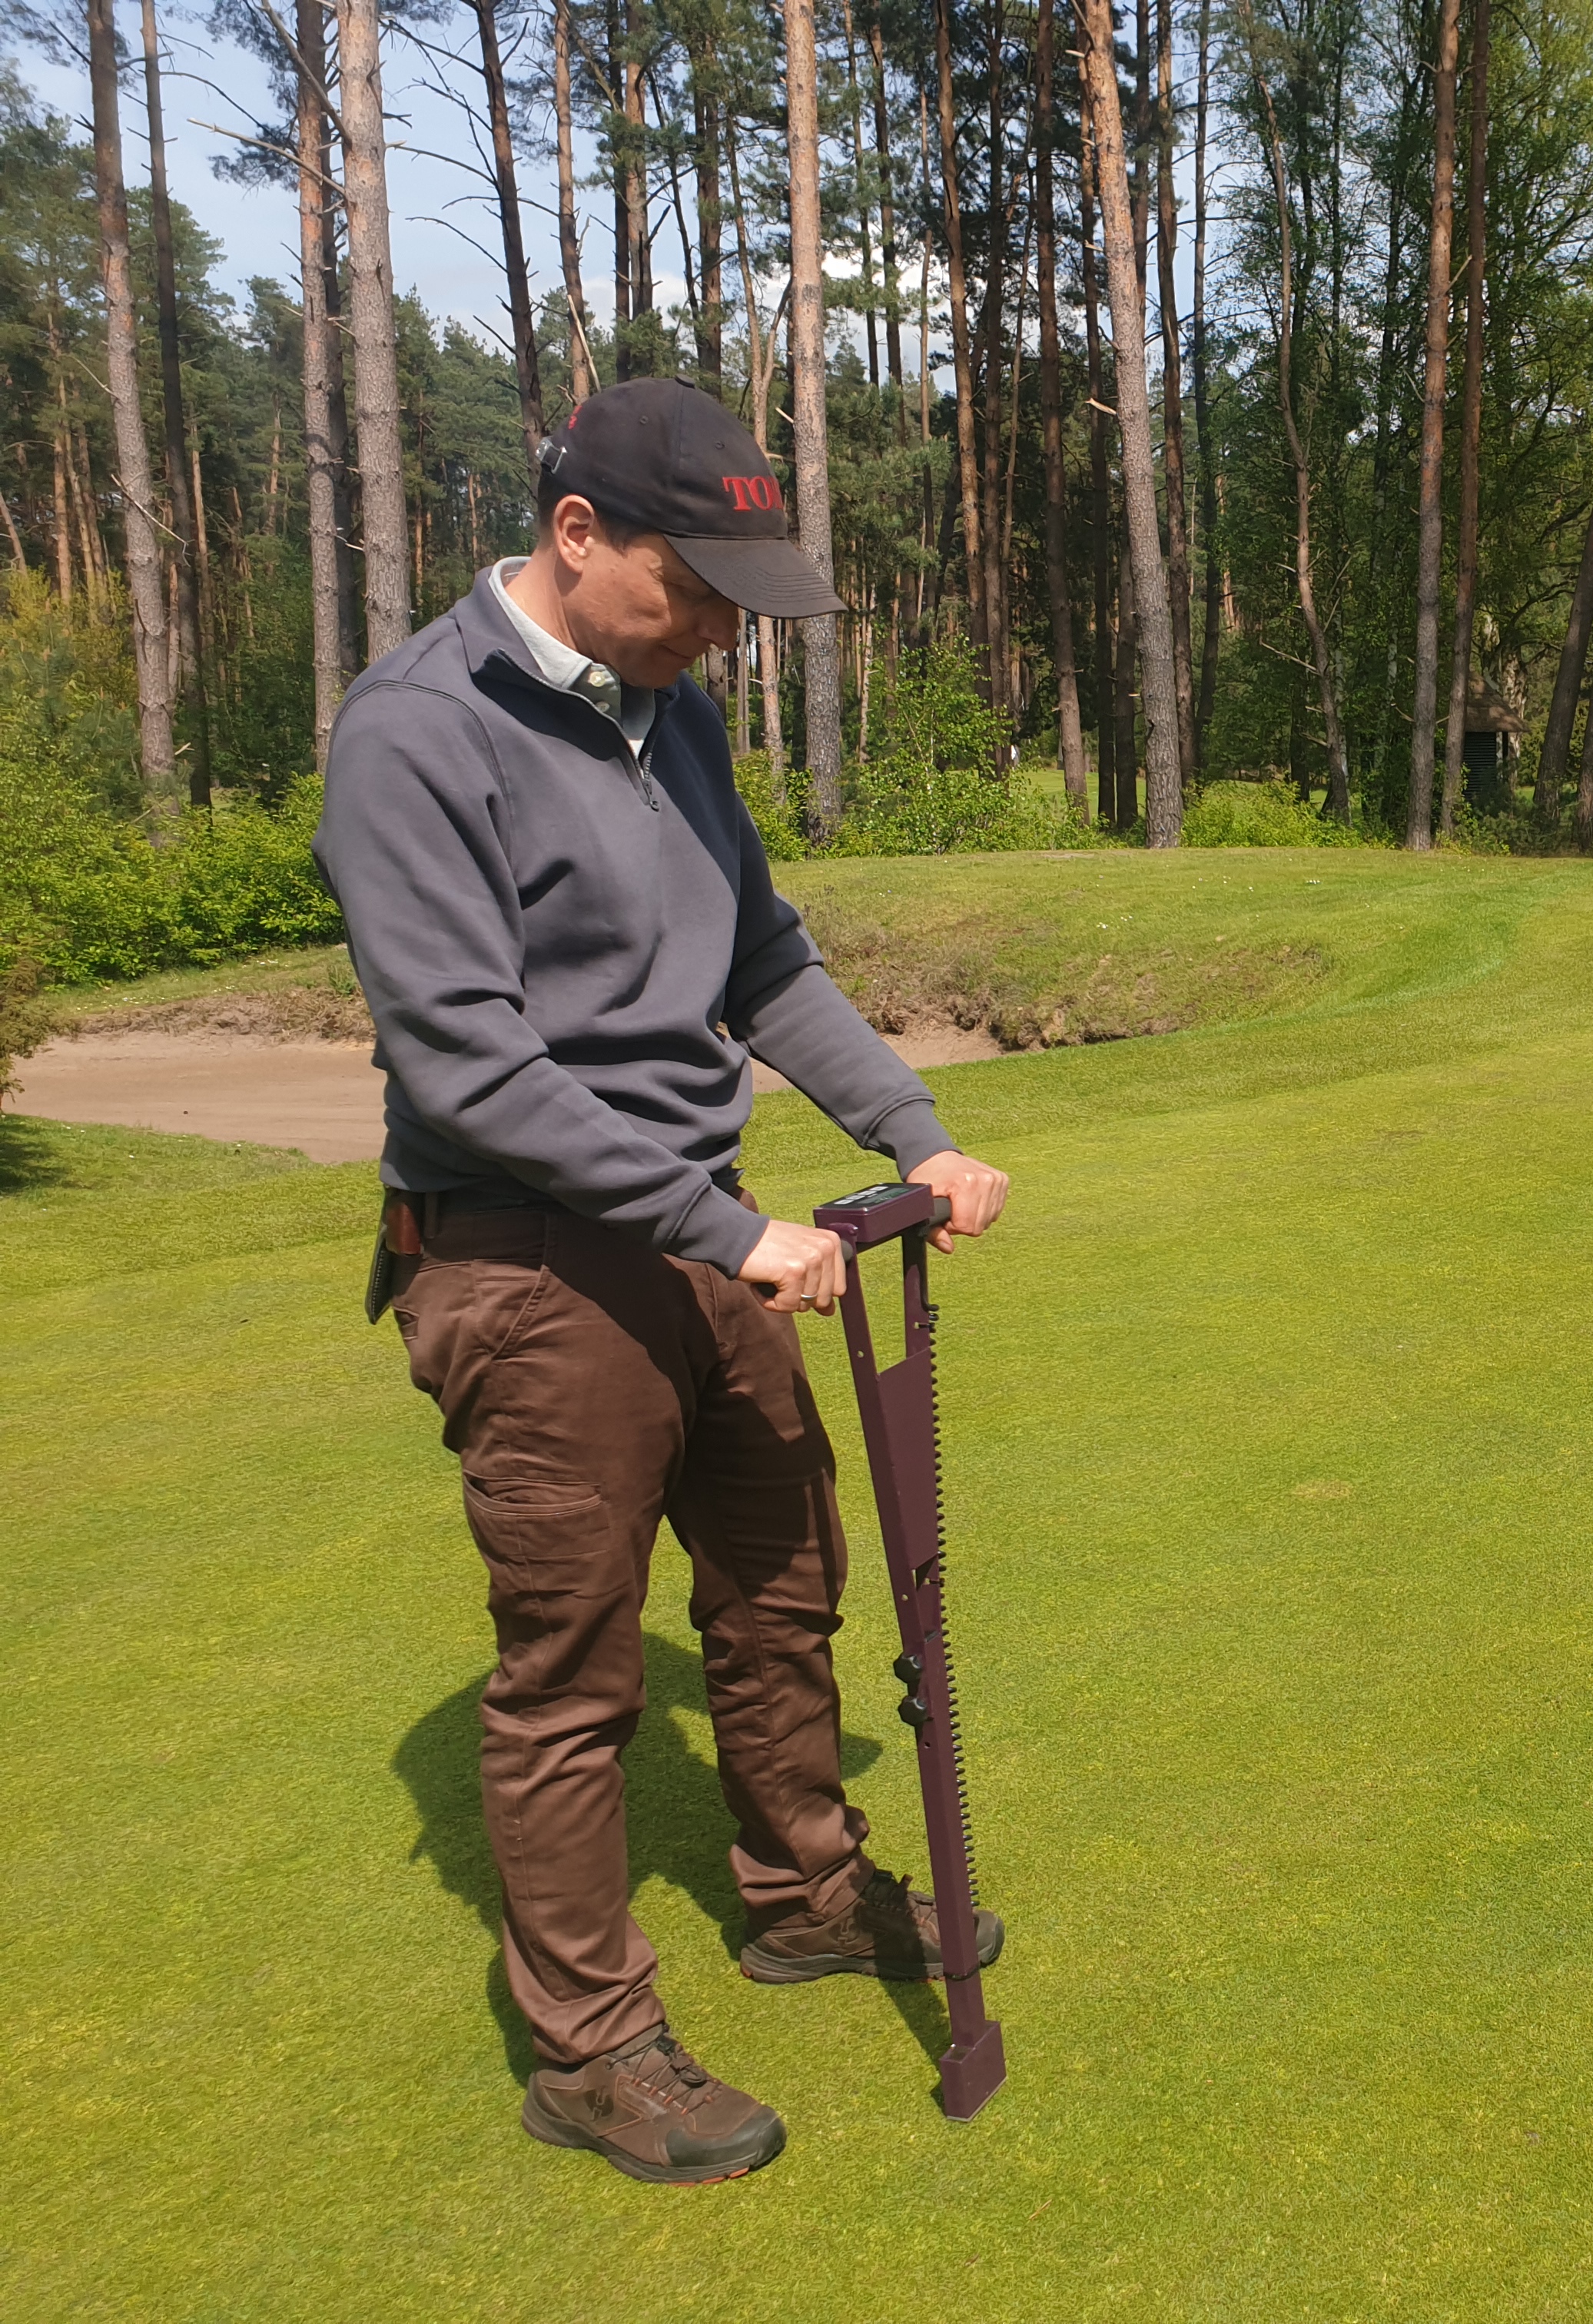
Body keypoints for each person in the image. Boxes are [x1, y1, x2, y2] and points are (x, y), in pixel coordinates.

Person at [316, 378, 1011, 2186]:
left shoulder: (665, 716)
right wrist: (728, 1229)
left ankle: (798, 1890)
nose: (717, 629)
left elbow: (762, 962)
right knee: (574, 1675)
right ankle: (592, 2047)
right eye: (694, 587)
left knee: (786, 1577)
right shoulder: (413, 732)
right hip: (521, 1258)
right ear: (575, 537)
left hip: (694, 1218)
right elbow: (467, 1065)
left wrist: (910, 1132)